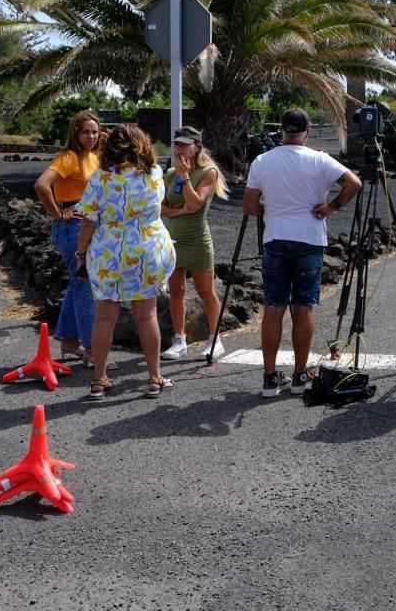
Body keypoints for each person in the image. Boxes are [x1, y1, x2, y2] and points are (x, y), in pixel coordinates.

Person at [242, 108, 361, 398]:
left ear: (281, 130)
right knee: (304, 306)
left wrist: (270, 209)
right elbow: (353, 183)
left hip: (275, 237)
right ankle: (298, 375)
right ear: (307, 131)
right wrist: (331, 207)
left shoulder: (262, 161)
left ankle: (269, 377)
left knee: (274, 307)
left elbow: (248, 207)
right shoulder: (319, 159)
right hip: (309, 237)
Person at [76, 124, 177, 401]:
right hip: (146, 251)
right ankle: (155, 378)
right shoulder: (155, 175)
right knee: (147, 316)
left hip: (108, 252)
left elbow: (87, 221)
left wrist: (81, 254)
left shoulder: (100, 178)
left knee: (105, 318)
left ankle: (99, 380)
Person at [33, 110, 102, 364]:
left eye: (94, 131)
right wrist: (58, 214)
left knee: (77, 283)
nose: (91, 136)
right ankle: (92, 348)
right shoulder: (69, 157)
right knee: (86, 284)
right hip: (74, 226)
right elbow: (41, 185)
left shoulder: (93, 157)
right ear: (75, 132)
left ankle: (71, 343)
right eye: (85, 132)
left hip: (85, 223)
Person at [159, 126, 229, 361]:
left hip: (198, 239)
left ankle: (215, 339)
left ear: (196, 147)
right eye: (176, 144)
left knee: (206, 291)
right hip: (174, 238)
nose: (179, 148)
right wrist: (180, 212)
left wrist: (185, 177)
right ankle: (179, 340)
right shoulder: (169, 173)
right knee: (176, 291)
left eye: (184, 144)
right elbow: (161, 207)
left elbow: (196, 203)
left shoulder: (208, 172)